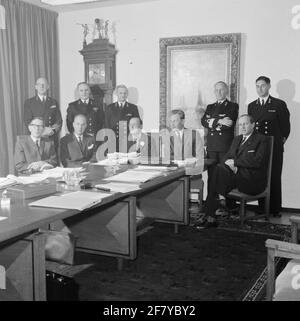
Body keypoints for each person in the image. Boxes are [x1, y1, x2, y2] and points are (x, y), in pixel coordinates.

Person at [197, 114, 269, 229]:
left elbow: (257, 161)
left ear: (253, 125)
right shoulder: (237, 139)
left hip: (251, 181)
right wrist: (229, 165)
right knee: (219, 170)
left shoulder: (261, 139)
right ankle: (213, 214)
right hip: (235, 178)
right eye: (240, 124)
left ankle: (212, 211)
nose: (243, 127)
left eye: (245, 124)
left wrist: (235, 164)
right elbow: (227, 157)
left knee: (217, 176)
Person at [248, 76, 290, 217]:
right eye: (257, 86)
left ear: (269, 86)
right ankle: (262, 207)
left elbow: (285, 128)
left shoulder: (279, 104)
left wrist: (278, 143)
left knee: (274, 176)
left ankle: (275, 208)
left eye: (263, 86)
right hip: (258, 147)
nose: (260, 89)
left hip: (274, 147)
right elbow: (251, 128)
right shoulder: (252, 106)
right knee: (260, 176)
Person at [201, 81, 239, 192]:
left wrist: (211, 122)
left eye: (221, 89)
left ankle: (227, 206)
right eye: (216, 90)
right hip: (212, 147)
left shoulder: (232, 106)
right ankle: (211, 205)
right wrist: (220, 120)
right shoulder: (210, 107)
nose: (219, 92)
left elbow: (229, 124)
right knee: (212, 176)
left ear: (226, 90)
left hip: (225, 147)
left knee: (225, 175)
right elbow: (203, 122)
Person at [24, 77, 62, 149]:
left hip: (51, 137)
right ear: (36, 87)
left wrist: (52, 130)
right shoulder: (29, 102)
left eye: (44, 84)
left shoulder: (53, 102)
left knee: (52, 159)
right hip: (36, 138)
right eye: (39, 84)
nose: (42, 86)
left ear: (48, 87)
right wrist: (42, 131)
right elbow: (27, 121)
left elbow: (59, 120)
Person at [104, 84, 140, 152]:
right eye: (120, 93)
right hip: (113, 140)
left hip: (128, 140)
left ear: (127, 94)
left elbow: (138, 123)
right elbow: (106, 125)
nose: (123, 95)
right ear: (116, 94)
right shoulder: (110, 108)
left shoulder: (133, 108)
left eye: (125, 93)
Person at [167, 109, 204, 174]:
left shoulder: (194, 134)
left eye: (175, 121)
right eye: (171, 121)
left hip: (191, 173)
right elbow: (167, 157)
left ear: (183, 121)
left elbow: (200, 156)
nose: (172, 124)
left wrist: (186, 162)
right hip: (174, 174)